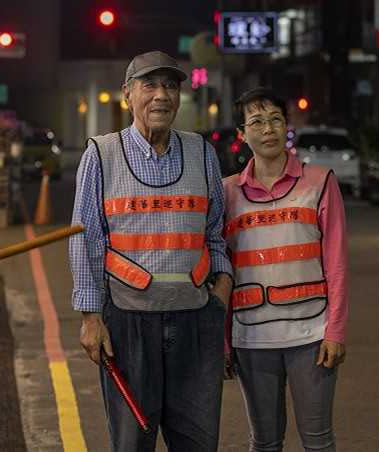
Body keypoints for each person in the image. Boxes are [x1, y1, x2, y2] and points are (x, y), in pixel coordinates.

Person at [68, 50, 233, 450]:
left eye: (171, 86)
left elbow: (215, 233)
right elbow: (86, 239)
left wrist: (219, 300)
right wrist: (91, 318)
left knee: (197, 442)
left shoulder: (202, 152)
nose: (161, 95)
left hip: (195, 322)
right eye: (150, 84)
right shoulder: (101, 154)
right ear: (128, 94)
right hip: (128, 324)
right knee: (132, 442)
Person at [222, 87, 349, 451]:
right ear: (242, 135)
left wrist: (335, 331)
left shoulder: (320, 183)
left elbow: (336, 263)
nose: (268, 130)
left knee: (318, 441)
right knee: (264, 442)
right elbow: (222, 272)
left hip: (311, 335)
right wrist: (223, 340)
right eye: (257, 122)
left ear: (286, 128)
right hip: (252, 339)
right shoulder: (227, 193)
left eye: (276, 120)